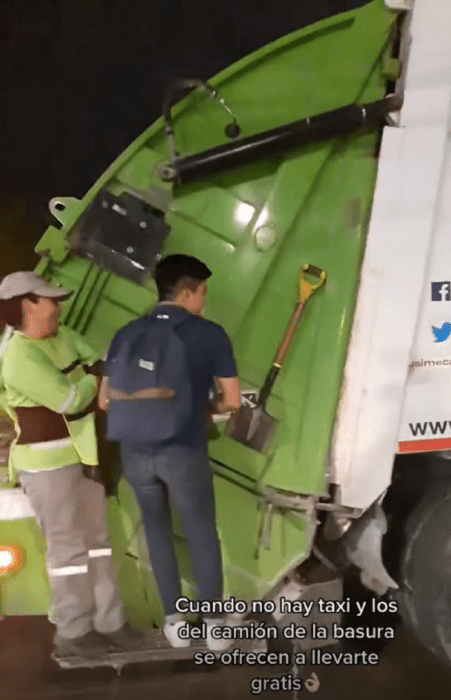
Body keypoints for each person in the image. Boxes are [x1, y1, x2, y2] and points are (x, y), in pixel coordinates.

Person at [0, 271, 146, 659]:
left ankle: (111, 624)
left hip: (84, 457)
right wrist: (94, 380)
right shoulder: (17, 357)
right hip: (46, 467)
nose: (58, 307)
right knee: (66, 551)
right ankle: (74, 630)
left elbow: (99, 361)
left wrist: (97, 374)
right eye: (50, 300)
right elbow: (71, 400)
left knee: (97, 544)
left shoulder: (62, 337)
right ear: (27, 304)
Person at [99, 254, 241, 651]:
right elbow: (232, 400)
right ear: (185, 292)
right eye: (202, 293)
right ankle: (214, 627)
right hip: (182, 449)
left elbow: (106, 400)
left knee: (157, 532)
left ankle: (175, 624)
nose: (204, 302)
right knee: (199, 533)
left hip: (134, 453)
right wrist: (204, 409)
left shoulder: (126, 333)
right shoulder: (209, 334)